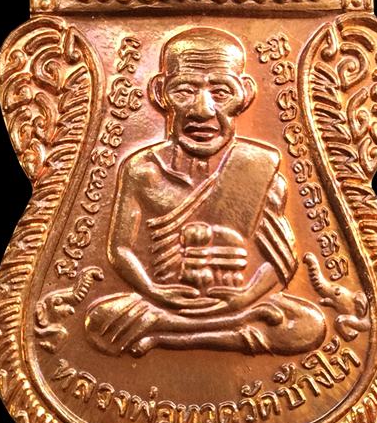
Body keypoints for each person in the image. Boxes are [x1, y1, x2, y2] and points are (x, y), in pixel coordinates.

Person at [85, 27, 325, 356]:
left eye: (221, 92)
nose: (202, 109)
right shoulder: (142, 169)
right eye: (184, 90)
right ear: (160, 92)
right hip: (165, 300)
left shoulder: (258, 166)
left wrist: (244, 298)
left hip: (236, 303)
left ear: (245, 94)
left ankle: (168, 335)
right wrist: (154, 291)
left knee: (308, 325)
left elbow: (281, 262)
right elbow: (120, 249)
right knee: (99, 321)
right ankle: (211, 328)